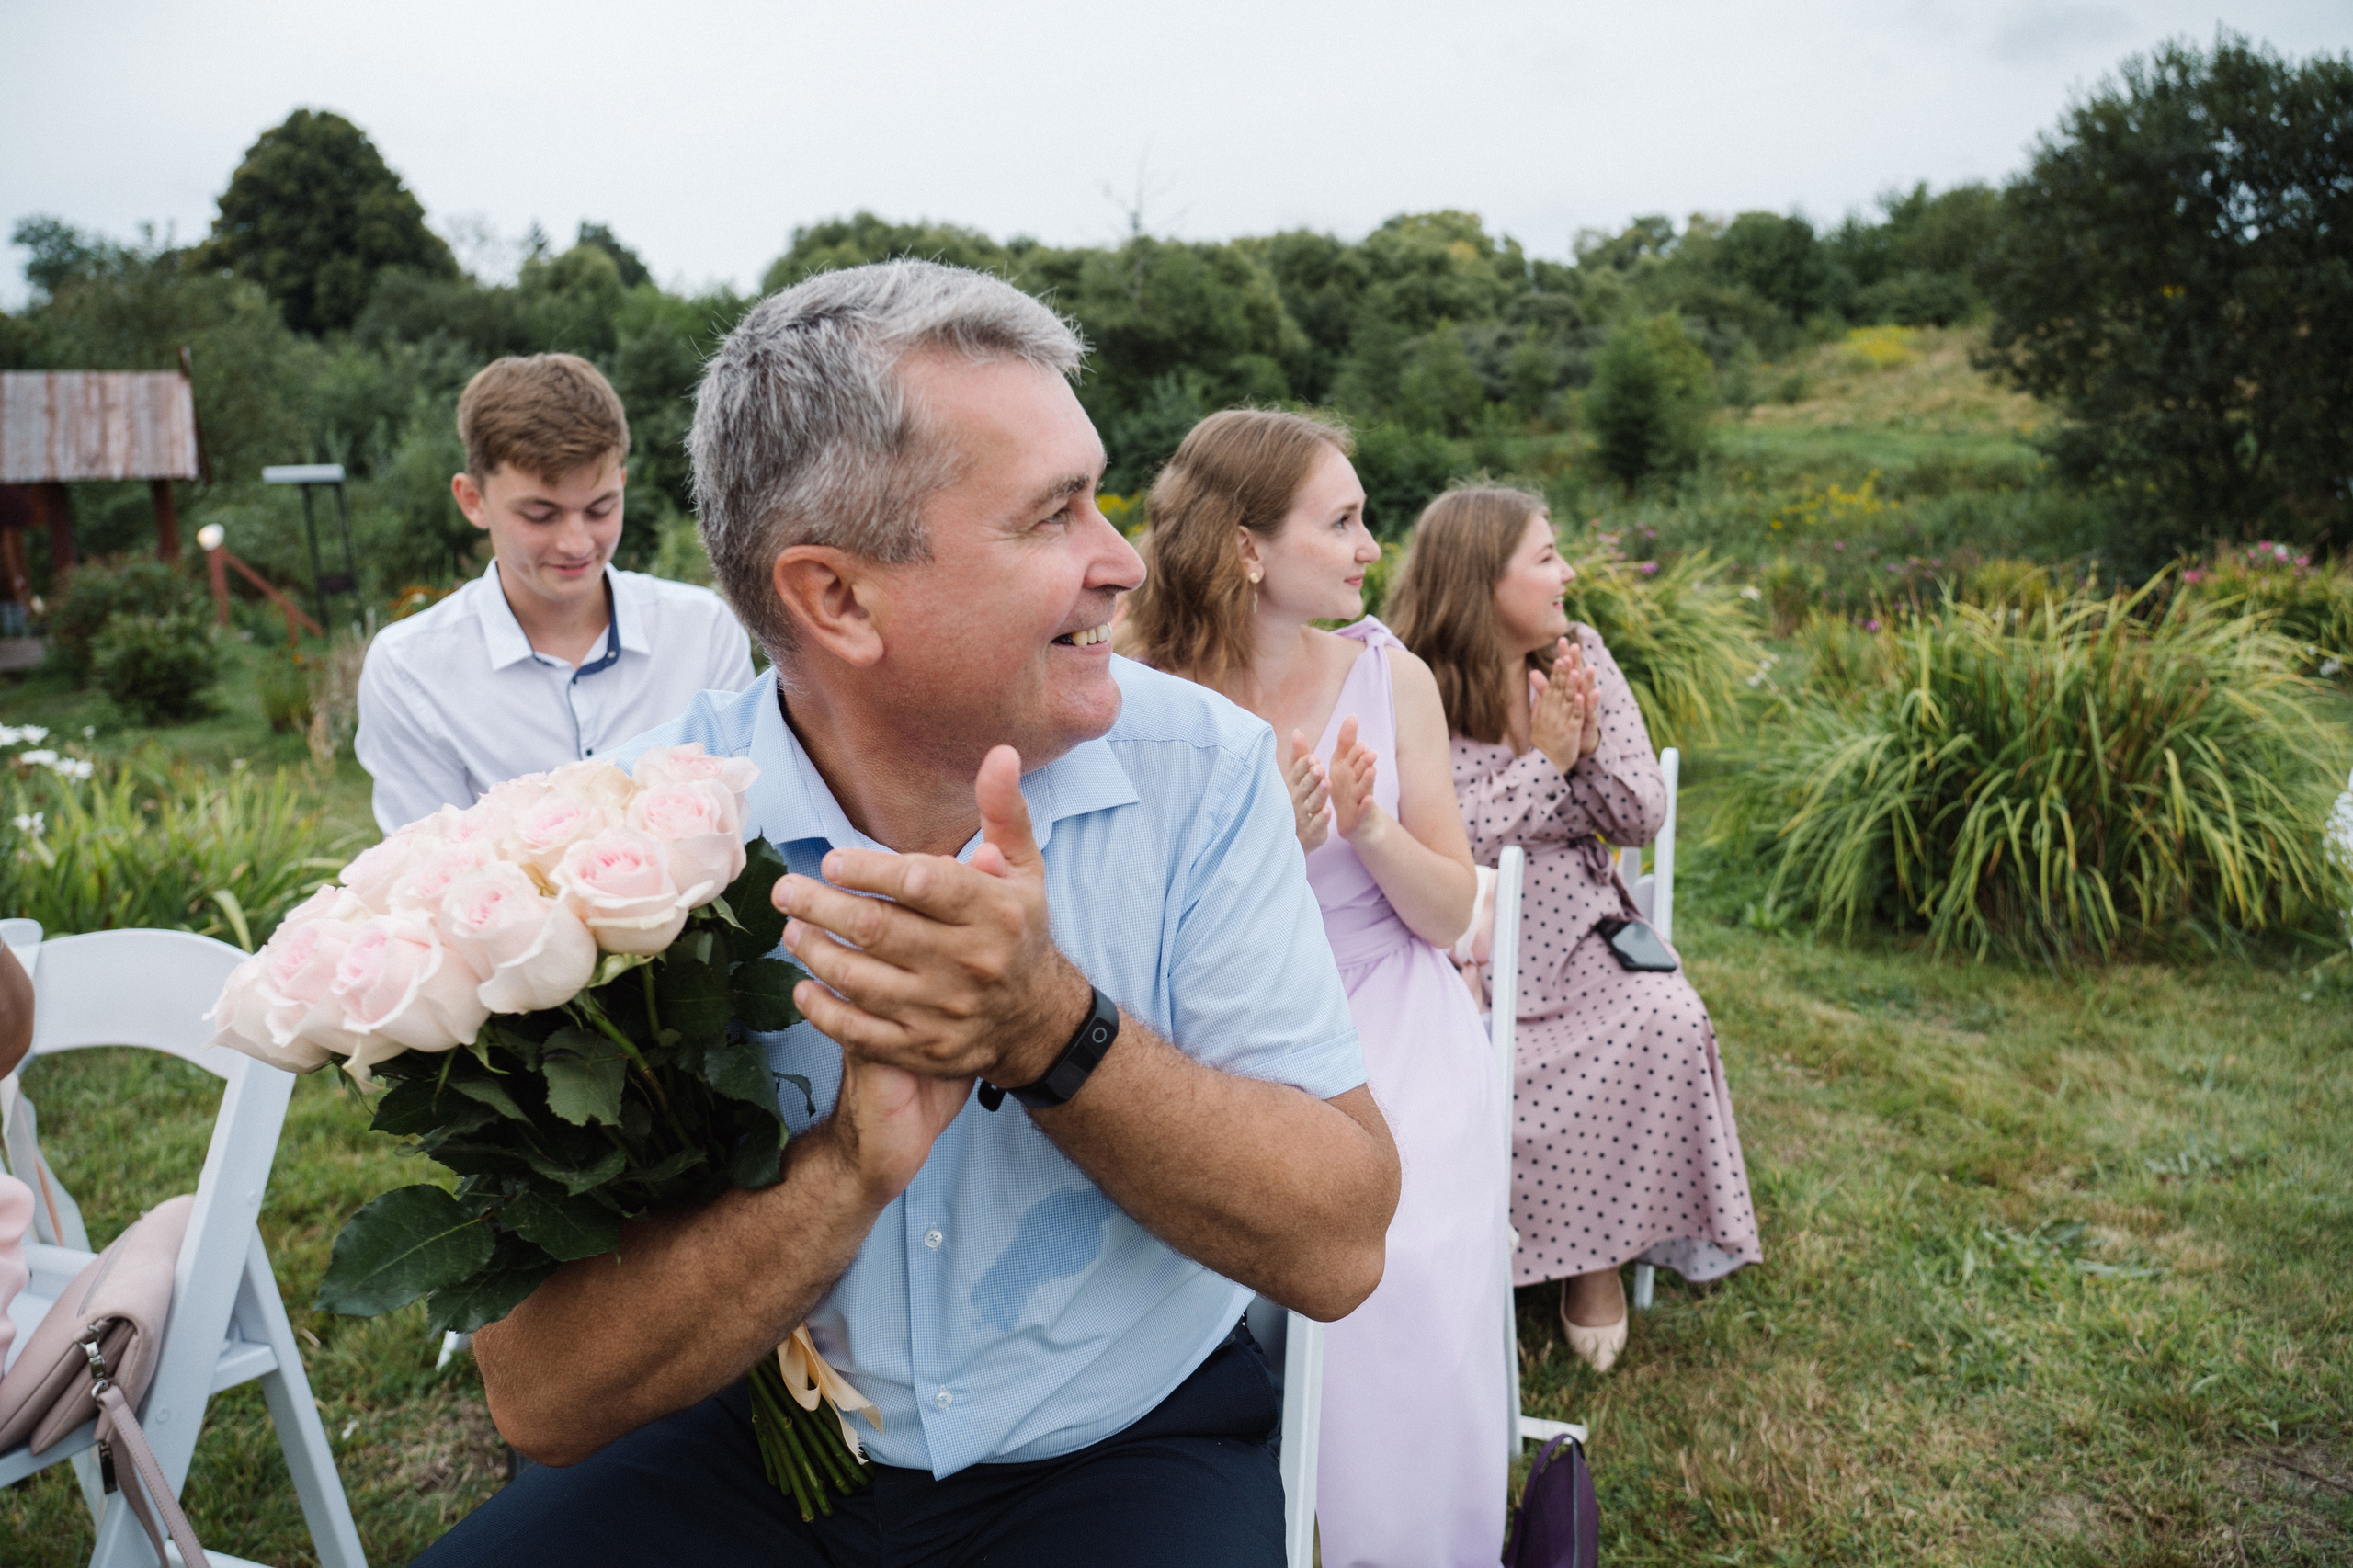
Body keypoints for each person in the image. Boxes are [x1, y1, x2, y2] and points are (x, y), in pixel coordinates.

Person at [420, 262, 1402, 1568]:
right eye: (1054, 516)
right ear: (835, 597)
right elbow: (540, 1396)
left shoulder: (1205, 770)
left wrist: (1050, 1029)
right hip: (745, 1428)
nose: (1123, 563)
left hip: (1120, 1440)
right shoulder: (617, 849)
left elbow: (1339, 1245)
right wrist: (843, 1173)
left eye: (1101, 501)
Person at [1118, 410, 1508, 1567]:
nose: (1369, 547)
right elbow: (1116, 907)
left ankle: (1394, 1540)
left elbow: (1452, 911)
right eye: (1339, 522)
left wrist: (1369, 827)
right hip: (1193, 1009)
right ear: (1246, 546)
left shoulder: (1394, 678)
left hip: (1385, 1000)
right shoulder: (1131, 675)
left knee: (1399, 1245)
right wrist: (1263, 852)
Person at [1388, 486, 1760, 1373]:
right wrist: (1543, 764)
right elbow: (1444, 841)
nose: (1570, 573)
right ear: (1482, 579)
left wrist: (1585, 750)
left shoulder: (1579, 656)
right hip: (1459, 928)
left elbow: (1641, 815)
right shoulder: (1408, 679)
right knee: (1477, 1066)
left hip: (1579, 920)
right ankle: (1472, 1257)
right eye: (1548, 557)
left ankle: (1596, 1260)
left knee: (1666, 1019)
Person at [354, 352, 756, 835]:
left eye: (600, 508)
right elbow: (428, 862)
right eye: (540, 515)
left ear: (622, 483)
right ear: (473, 500)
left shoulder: (703, 632)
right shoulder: (409, 670)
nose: (576, 543)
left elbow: (748, 822)